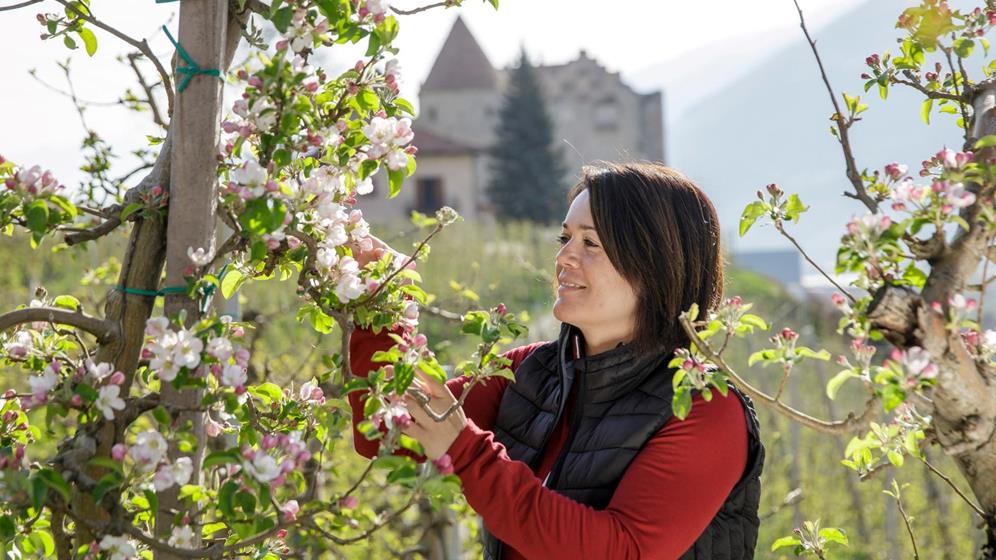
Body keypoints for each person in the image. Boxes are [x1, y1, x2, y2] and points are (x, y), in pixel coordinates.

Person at [348, 162, 765, 559]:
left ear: (655, 265)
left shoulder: (703, 406)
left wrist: (467, 451)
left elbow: (623, 551)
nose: (564, 257)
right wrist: (384, 301)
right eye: (564, 238)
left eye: (590, 243)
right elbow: (382, 430)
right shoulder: (529, 372)